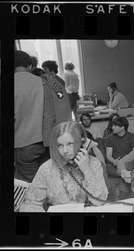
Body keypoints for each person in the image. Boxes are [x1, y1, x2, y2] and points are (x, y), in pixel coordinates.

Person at [19, 121, 108, 212]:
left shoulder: (94, 163)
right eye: (60, 145)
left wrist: (87, 170)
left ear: (81, 142)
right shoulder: (46, 168)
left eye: (70, 144)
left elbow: (100, 202)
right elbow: (30, 204)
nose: (65, 151)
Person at [14, 51, 47, 182]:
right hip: (45, 141)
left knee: (29, 187)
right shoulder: (42, 82)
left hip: (22, 143)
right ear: (30, 66)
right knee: (47, 183)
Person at [31, 67, 72, 166]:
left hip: (44, 133)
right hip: (60, 128)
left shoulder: (39, 86)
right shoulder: (54, 83)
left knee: (47, 163)